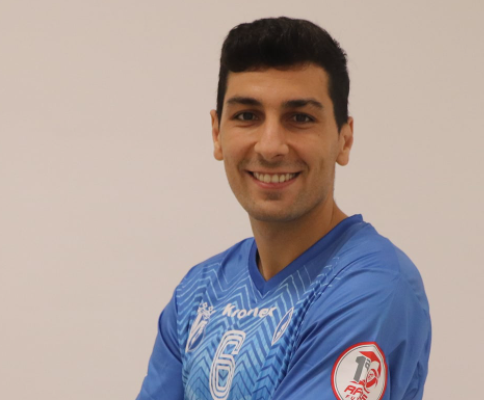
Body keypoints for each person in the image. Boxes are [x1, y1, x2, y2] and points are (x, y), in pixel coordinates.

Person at [136, 17, 431, 400]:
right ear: (217, 133)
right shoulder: (198, 291)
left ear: (344, 139)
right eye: (247, 116)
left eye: (300, 118)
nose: (270, 146)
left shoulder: (372, 287)